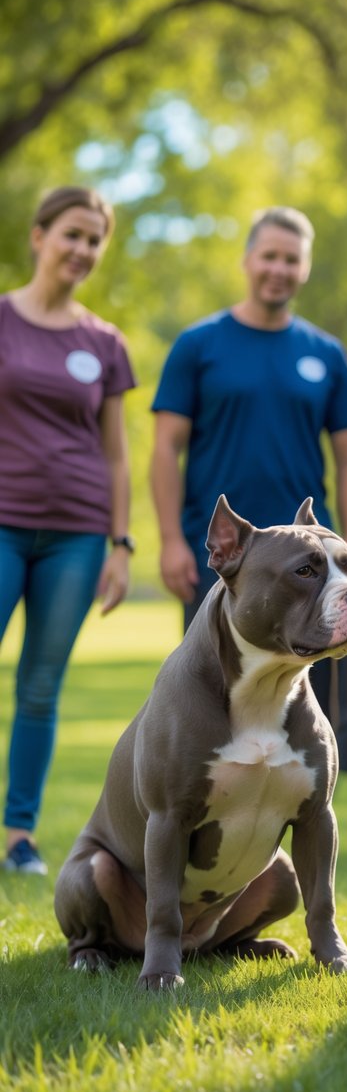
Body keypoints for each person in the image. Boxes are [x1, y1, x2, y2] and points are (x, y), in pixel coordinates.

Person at [150, 205, 347, 771]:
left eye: (291, 259)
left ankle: (300, 811)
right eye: (269, 255)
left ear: (305, 268)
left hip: (313, 567)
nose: (279, 268)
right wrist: (172, 538)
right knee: (213, 690)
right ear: (249, 260)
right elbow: (164, 448)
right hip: (228, 557)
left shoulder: (326, 355)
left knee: (313, 702)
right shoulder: (199, 346)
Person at [0, 186, 136, 875]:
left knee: (40, 685)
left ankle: (18, 834)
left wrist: (120, 543)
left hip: (78, 534)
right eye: (72, 235)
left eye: (94, 240)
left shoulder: (103, 342)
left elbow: (116, 452)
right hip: (2, 522)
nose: (82, 250)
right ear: (39, 235)